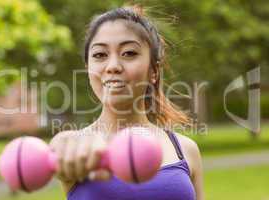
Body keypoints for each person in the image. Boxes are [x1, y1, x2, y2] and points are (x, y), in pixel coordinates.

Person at [50, 5, 204, 200]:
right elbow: (62, 145)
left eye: (129, 53)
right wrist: (62, 145)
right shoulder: (77, 147)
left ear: (154, 72)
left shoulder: (185, 149)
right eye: (100, 55)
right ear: (88, 69)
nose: (113, 66)